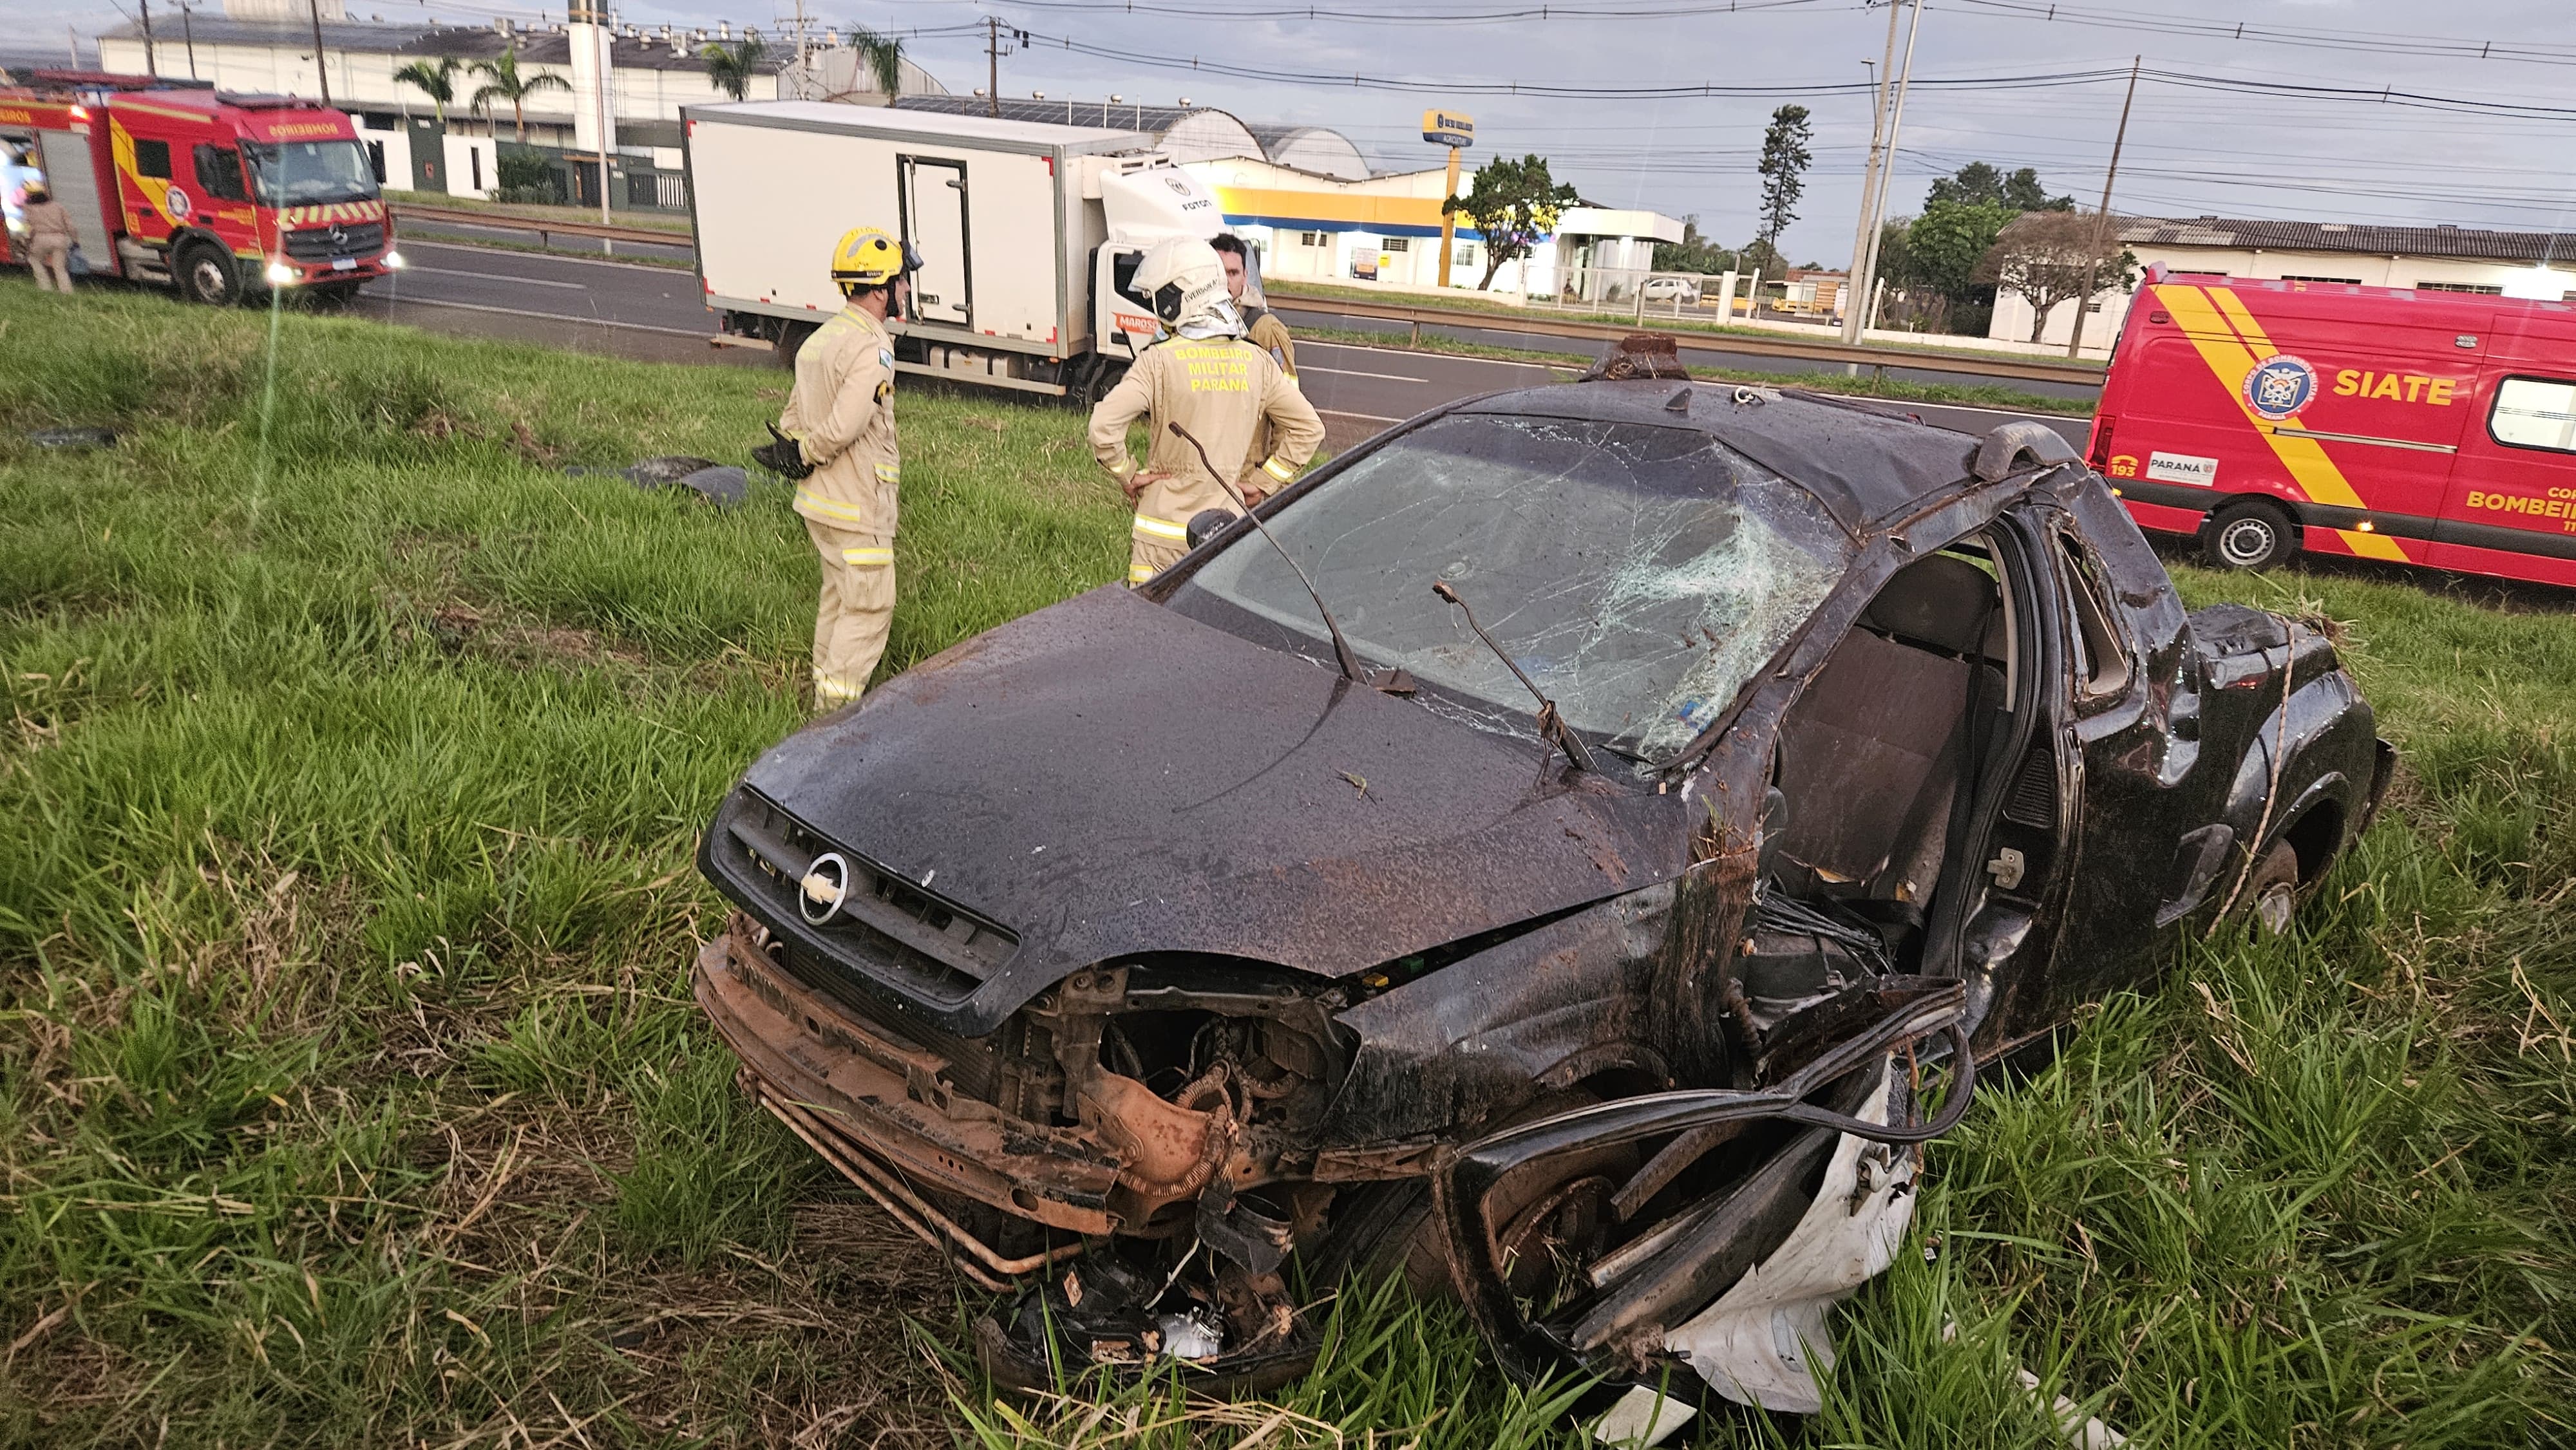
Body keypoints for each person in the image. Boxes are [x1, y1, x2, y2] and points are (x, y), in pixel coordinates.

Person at [1089, 236, 1323, 587]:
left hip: (1160, 539)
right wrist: (1264, 483)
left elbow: (1104, 427)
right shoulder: (1256, 361)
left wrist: (1128, 474)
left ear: (1175, 299)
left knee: (1150, 633)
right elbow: (1310, 429)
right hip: (1224, 533)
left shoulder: (1159, 361)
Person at [773, 225, 919, 710]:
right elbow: (846, 424)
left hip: (820, 504)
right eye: (900, 281)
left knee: (838, 600)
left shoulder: (820, 339)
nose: (904, 290)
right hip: (857, 505)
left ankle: (820, 691)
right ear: (880, 289)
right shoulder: (872, 346)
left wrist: (795, 452)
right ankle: (833, 719)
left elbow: (792, 417)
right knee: (870, 606)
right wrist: (808, 451)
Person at [1209, 233, 1295, 381]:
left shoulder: (1267, 329)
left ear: (1245, 276)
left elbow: (1288, 391)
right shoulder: (1193, 321)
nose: (1225, 281)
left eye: (1233, 273)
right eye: (1219, 272)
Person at [21, 184, 75, 294]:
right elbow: (70, 226)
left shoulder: (28, 208)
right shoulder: (57, 206)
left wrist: (26, 241)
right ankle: (67, 292)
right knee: (59, 268)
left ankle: (45, 288)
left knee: (34, 260)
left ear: (29, 194)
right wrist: (75, 241)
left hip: (40, 239)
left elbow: (26, 228)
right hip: (60, 238)